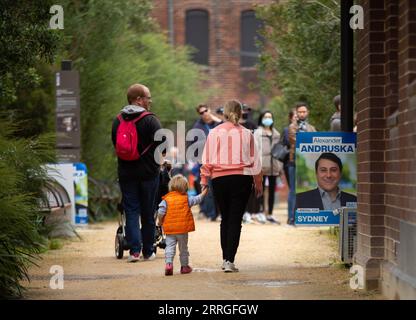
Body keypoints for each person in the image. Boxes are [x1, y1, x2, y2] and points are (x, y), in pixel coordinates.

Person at [200, 99, 262, 273]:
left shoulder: (214, 132)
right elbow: (255, 161)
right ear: (241, 112)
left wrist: (204, 181)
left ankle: (224, 258)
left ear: (224, 113)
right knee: (235, 219)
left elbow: (207, 160)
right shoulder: (247, 133)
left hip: (219, 179)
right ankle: (230, 260)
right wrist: (258, 184)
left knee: (225, 218)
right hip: (241, 179)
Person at [111, 83, 162, 262]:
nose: (150, 101)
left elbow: (115, 145)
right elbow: (162, 145)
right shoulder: (150, 120)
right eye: (148, 97)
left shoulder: (118, 120)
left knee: (131, 211)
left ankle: (134, 251)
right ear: (138, 100)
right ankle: (148, 251)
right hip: (148, 174)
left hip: (126, 173)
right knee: (148, 212)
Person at [156, 174, 208, 276]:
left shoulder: (165, 200)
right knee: (183, 248)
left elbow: (161, 212)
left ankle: (169, 264)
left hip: (170, 230)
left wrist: (160, 222)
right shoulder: (186, 199)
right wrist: (204, 192)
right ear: (185, 187)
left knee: (170, 247)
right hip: (183, 230)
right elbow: (198, 199)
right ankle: (184, 267)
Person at [190, 104, 222, 221]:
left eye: (206, 111)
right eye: (201, 113)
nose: (204, 114)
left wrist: (217, 120)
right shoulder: (197, 127)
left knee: (218, 188)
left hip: (219, 162)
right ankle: (210, 214)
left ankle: (217, 213)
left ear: (210, 110)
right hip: (205, 163)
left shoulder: (217, 123)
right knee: (207, 189)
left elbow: (228, 129)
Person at [287, 102, 316, 225]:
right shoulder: (292, 127)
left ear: (307, 113)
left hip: (308, 163)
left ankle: (305, 216)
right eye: (300, 112)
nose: (302, 114)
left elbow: (315, 142)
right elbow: (295, 140)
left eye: (304, 111)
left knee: (307, 189)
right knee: (293, 190)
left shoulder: (311, 128)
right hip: (294, 161)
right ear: (296, 113)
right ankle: (291, 217)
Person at [253, 110, 283, 224]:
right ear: (262, 118)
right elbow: (255, 150)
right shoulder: (257, 133)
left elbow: (279, 150)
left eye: (270, 117)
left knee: (271, 190)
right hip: (261, 165)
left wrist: (279, 166)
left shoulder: (276, 134)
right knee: (260, 190)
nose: (268, 119)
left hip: (274, 166)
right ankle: (260, 212)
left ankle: (270, 213)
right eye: (265, 117)